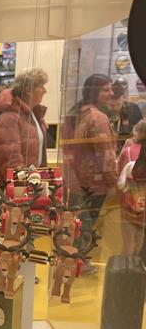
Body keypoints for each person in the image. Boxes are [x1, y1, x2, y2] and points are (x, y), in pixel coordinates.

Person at [62, 74, 117, 269]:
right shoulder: (98, 118)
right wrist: (113, 182)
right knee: (85, 224)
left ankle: (72, 260)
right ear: (94, 92)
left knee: (76, 223)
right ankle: (79, 262)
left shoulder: (75, 114)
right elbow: (106, 154)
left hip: (75, 180)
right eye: (106, 89)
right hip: (94, 182)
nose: (111, 93)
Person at [0, 69, 48, 184]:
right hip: (7, 188)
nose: (45, 91)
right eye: (41, 86)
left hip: (26, 185)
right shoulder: (10, 117)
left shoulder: (33, 116)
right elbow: (10, 161)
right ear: (28, 90)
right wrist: (23, 184)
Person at [117, 120, 146, 256]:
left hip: (129, 204)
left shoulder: (127, 151)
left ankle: (127, 266)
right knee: (139, 240)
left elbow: (119, 181)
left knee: (128, 242)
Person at [109, 80, 143, 155]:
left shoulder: (133, 109)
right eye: (111, 105)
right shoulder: (102, 112)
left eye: (118, 104)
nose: (115, 108)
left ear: (123, 98)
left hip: (128, 150)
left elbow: (142, 132)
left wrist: (134, 139)